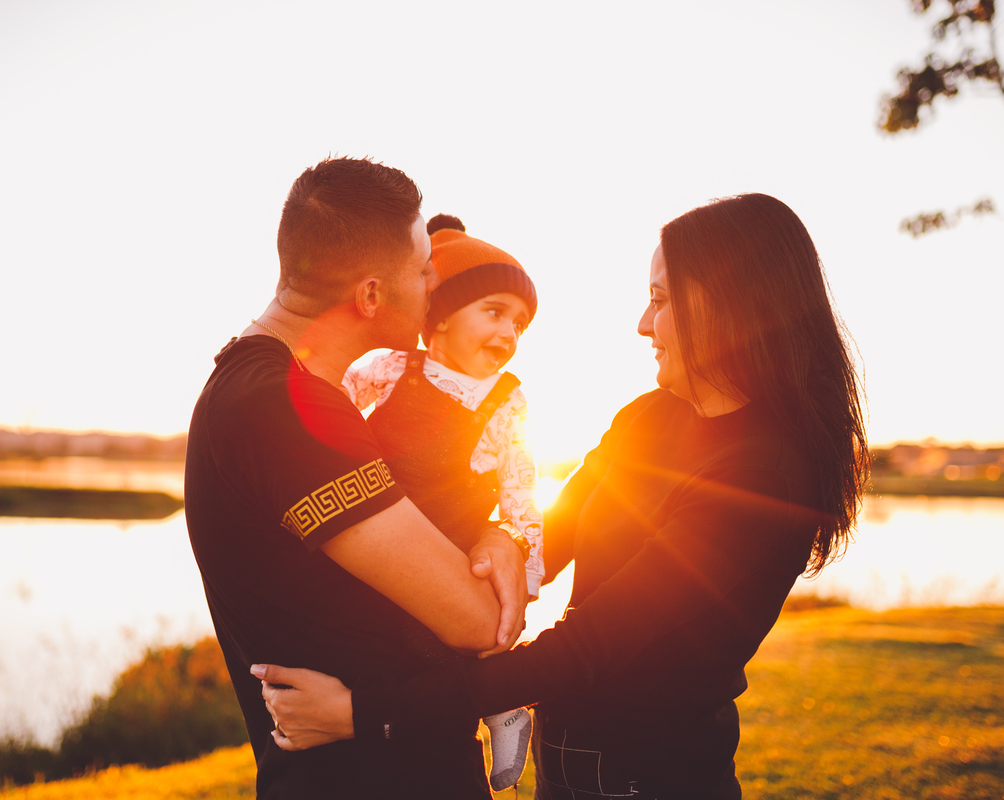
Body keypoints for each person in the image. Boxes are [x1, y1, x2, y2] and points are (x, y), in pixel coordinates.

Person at [255, 193, 870, 800]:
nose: (642, 324)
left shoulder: (762, 475)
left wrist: (366, 712)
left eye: (660, 299)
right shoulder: (650, 417)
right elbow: (553, 530)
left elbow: (589, 648)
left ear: (731, 305)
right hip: (573, 754)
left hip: (646, 775)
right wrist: (500, 536)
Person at [183, 156, 530, 799]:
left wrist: (499, 534)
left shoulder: (262, 387)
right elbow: (480, 620)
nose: (435, 283)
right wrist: (499, 552)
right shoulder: (286, 408)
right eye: (422, 267)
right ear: (370, 294)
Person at [342, 213, 544, 790]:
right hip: (384, 533)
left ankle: (500, 700)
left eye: (521, 324)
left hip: (454, 547)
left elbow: (520, 487)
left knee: (442, 644)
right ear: (443, 314)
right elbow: (333, 409)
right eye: (495, 312)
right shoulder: (389, 368)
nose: (509, 333)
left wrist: (522, 574)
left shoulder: (506, 401)